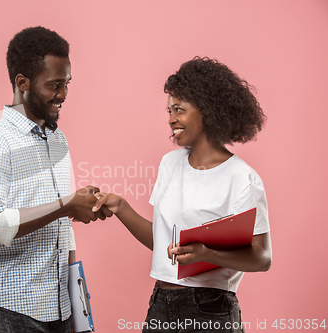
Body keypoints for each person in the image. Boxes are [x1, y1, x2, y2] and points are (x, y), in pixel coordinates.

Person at [92, 57, 272, 332]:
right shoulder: (170, 163)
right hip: (161, 303)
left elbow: (262, 258)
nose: (171, 119)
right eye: (169, 110)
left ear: (207, 111)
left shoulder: (243, 179)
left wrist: (207, 253)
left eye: (179, 109)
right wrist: (121, 207)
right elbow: (163, 243)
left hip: (210, 309)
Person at [0, 26, 111, 333]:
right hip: (13, 309)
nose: (63, 94)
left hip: (60, 307)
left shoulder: (58, 140)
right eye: (54, 85)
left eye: (67, 83)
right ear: (23, 82)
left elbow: (63, 230)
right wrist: (65, 205)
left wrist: (78, 304)